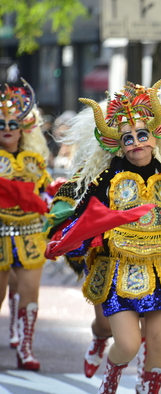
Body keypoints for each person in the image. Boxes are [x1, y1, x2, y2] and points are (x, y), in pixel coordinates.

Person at [44, 80, 161, 394]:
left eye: (141, 135)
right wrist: (62, 228)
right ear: (115, 142)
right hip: (115, 269)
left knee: (157, 349)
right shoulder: (94, 176)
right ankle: (107, 365)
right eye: (127, 138)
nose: (135, 143)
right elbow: (74, 214)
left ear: (156, 136)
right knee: (120, 338)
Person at [0, 79, 53, 370]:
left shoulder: (35, 160)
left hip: (31, 234)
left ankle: (26, 348)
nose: (7, 129)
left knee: (30, 294)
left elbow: (44, 192)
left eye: (13, 123)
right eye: (1, 124)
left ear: (24, 127)